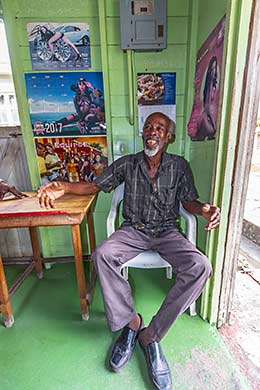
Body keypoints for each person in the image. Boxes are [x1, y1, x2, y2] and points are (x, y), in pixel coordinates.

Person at [38, 112, 220, 390]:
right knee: (102, 254)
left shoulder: (179, 166)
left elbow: (189, 201)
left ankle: (151, 336)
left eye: (159, 128)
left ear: (168, 137)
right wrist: (62, 186)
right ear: (143, 133)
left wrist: (204, 210)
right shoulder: (128, 164)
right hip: (133, 230)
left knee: (201, 267)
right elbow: (93, 186)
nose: (152, 131)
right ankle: (131, 323)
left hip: (167, 231)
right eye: (148, 126)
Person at [196, 56, 218, 141]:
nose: (213, 70)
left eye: (214, 68)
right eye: (212, 68)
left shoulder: (214, 81)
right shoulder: (208, 81)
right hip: (207, 97)